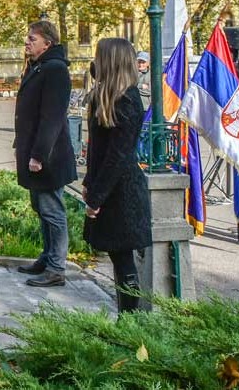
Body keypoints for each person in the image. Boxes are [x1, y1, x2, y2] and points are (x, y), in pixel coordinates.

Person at [81, 38, 151, 314]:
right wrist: (89, 183)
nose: (94, 61)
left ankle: (130, 321)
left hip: (121, 190)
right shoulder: (106, 94)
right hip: (107, 186)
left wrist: (97, 196)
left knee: (123, 259)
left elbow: (118, 156)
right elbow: (98, 148)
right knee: (118, 256)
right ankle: (127, 317)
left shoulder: (128, 99)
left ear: (110, 61)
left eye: (99, 57)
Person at [13, 21, 77, 287]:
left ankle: (56, 268)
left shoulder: (55, 70)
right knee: (41, 208)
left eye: (32, 39)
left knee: (52, 210)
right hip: (35, 152)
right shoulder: (40, 66)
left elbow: (51, 117)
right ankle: (47, 257)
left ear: (47, 43)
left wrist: (38, 155)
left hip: (49, 156)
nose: (27, 42)